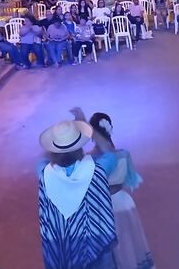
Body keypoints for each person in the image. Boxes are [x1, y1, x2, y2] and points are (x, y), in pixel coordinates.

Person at [37, 109, 118, 269]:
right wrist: (87, 127)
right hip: (97, 242)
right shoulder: (97, 170)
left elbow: (42, 158)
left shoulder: (45, 174)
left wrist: (56, 144)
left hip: (63, 246)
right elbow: (109, 152)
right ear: (80, 147)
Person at [88, 112, 154, 269]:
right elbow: (130, 180)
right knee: (128, 242)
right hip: (123, 204)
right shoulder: (124, 155)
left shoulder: (88, 160)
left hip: (100, 207)